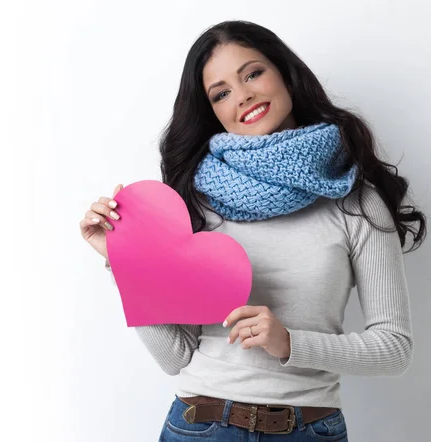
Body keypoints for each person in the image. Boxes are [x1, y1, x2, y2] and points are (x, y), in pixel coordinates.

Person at [78, 20, 427, 441]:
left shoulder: (355, 200)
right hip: (200, 428)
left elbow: (394, 349)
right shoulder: (195, 202)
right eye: (221, 93)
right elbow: (175, 358)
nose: (242, 95)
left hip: (308, 429)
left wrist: (289, 343)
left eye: (253, 73)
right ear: (213, 112)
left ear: (285, 73)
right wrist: (125, 259)